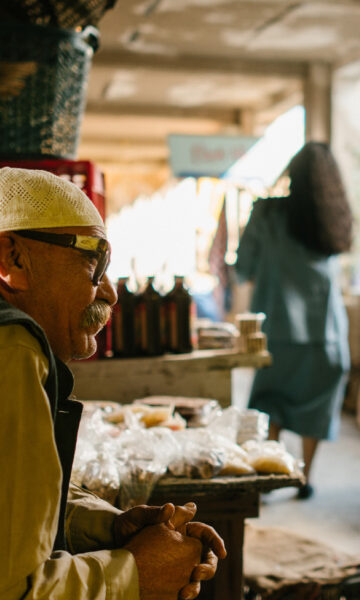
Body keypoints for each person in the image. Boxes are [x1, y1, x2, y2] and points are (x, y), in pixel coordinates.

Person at [0, 167, 227, 600]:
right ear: (12, 260)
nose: (110, 292)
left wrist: (106, 525)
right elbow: (16, 590)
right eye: (93, 260)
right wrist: (135, 572)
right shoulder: (12, 348)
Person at [236, 142, 353, 499]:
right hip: (327, 333)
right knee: (317, 405)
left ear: (292, 174)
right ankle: (304, 475)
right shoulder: (334, 217)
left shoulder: (267, 214)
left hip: (279, 329)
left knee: (271, 402)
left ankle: (271, 475)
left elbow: (244, 267)